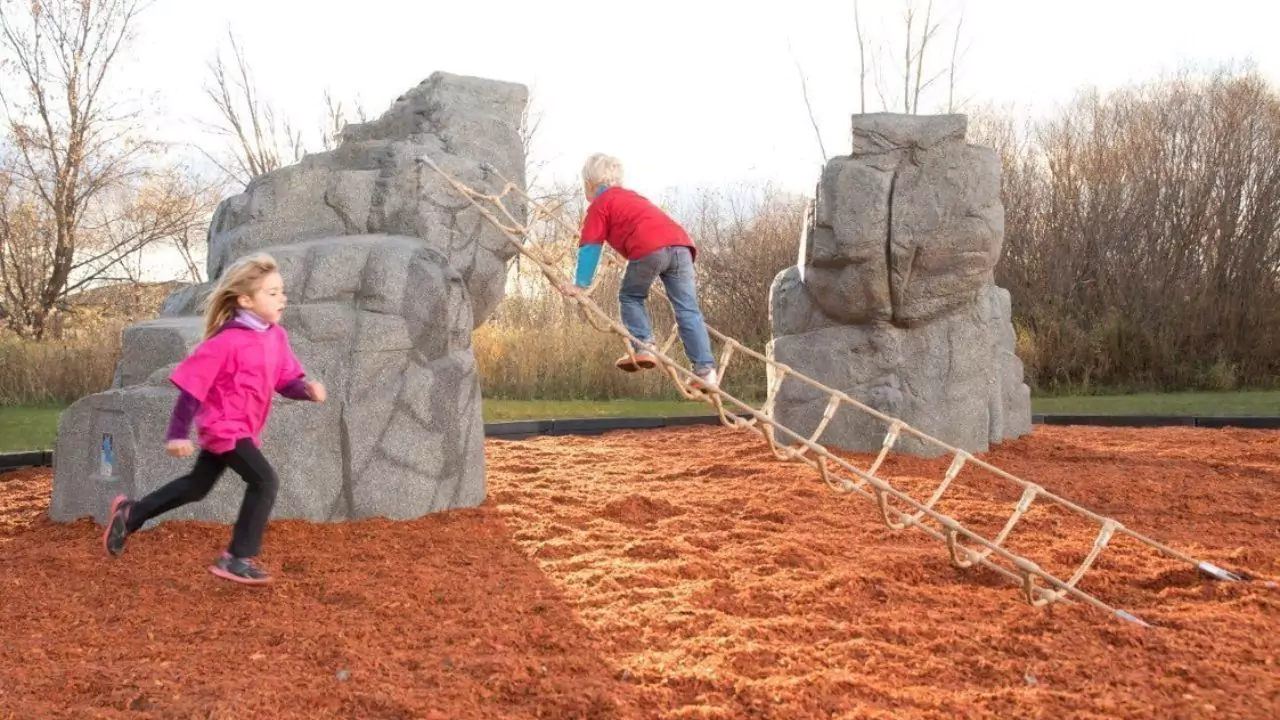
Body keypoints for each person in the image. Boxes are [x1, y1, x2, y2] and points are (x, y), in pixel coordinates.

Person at [100, 253, 326, 585]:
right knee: (264, 481)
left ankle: (132, 513)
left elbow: (284, 381)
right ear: (245, 300)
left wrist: (305, 390)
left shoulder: (276, 337)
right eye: (272, 292)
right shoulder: (225, 342)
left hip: (243, 429)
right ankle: (236, 557)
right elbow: (192, 390)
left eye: (282, 291)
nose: (282, 298)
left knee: (196, 487)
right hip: (224, 429)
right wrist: (177, 434)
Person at [562, 153, 718, 388]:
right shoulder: (633, 197)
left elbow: (590, 246)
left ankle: (644, 346)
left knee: (630, 296)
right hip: (681, 247)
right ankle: (706, 371)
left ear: (590, 184)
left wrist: (580, 284)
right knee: (688, 310)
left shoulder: (600, 205)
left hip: (650, 249)